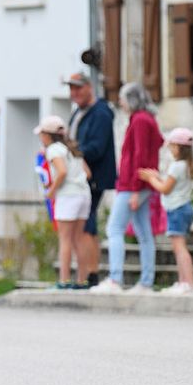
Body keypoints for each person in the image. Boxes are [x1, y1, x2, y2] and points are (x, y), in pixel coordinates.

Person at [91, 83, 163, 294]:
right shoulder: (147, 119)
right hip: (141, 184)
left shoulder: (139, 120)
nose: (120, 103)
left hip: (133, 184)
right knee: (143, 232)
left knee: (114, 229)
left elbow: (139, 156)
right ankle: (146, 282)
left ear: (131, 100)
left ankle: (115, 279)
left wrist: (133, 189)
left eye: (122, 98)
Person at [65, 73, 116, 288]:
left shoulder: (101, 112)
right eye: (71, 89)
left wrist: (74, 153)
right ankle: (89, 274)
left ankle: (89, 275)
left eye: (78, 88)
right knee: (86, 225)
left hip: (92, 177)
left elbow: (96, 147)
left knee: (86, 226)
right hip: (80, 176)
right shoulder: (80, 111)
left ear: (89, 87)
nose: (74, 93)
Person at [138, 128, 193, 294]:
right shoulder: (186, 165)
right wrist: (156, 176)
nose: (170, 150)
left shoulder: (176, 166)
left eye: (172, 146)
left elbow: (165, 189)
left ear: (179, 147)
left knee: (179, 248)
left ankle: (188, 283)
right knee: (180, 247)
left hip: (176, 210)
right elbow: (172, 184)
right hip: (184, 208)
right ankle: (184, 283)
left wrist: (151, 179)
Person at [34, 115, 91, 289]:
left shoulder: (53, 150)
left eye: (41, 134)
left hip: (68, 196)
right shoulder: (72, 148)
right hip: (83, 194)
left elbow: (62, 172)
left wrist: (52, 191)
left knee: (65, 239)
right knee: (79, 239)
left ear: (47, 135)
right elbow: (87, 173)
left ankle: (64, 280)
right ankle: (82, 280)